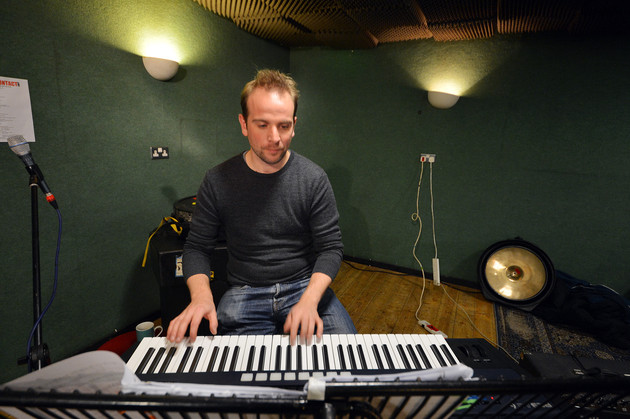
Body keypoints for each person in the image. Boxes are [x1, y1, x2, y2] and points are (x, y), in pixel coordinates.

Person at [167, 69, 356, 345]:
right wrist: (201, 296)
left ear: (294, 124)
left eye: (283, 125)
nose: (274, 137)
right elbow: (196, 247)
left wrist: (309, 301)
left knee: (345, 358)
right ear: (244, 124)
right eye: (262, 124)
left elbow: (331, 248)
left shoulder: (313, 178)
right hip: (245, 291)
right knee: (243, 378)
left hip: (304, 285)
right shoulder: (217, 179)